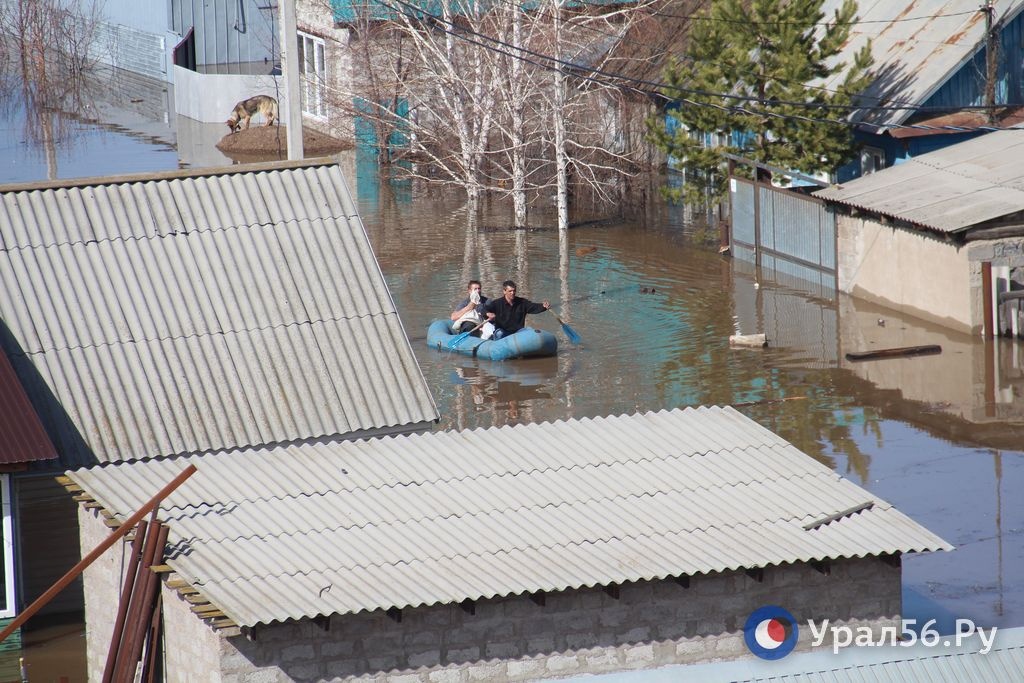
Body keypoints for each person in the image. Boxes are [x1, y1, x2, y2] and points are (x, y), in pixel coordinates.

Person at [484, 280, 549, 340]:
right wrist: (487, 313)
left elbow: (533, 307)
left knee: (529, 330)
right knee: (499, 333)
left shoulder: (522, 302)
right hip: (503, 331)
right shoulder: (496, 303)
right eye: (510, 291)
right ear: (504, 291)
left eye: (514, 291)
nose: (513, 293)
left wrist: (543, 306)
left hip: (518, 332)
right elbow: (484, 309)